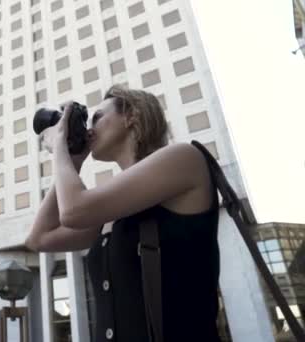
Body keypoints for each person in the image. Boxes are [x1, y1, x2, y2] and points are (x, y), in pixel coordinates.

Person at [25, 85, 221, 341]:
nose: (89, 128)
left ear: (131, 115)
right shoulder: (113, 211)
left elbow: (73, 211)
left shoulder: (184, 158)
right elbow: (39, 238)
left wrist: (59, 145)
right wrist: (73, 160)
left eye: (98, 117)